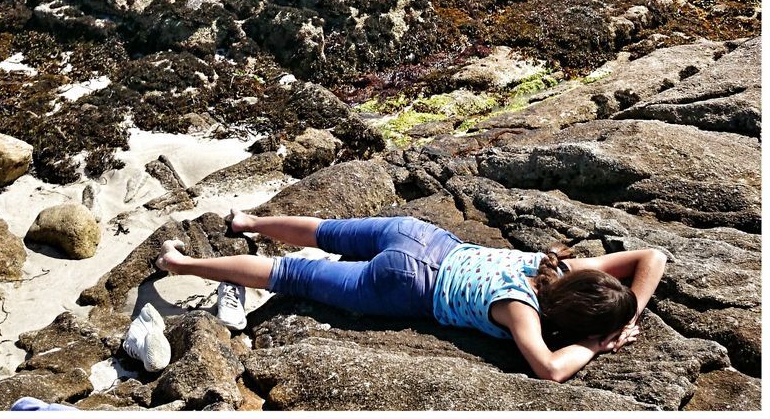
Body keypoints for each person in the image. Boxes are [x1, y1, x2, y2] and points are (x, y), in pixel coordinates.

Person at [156, 212, 667, 382]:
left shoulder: (559, 267)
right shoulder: (523, 313)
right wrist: (604, 340)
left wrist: (625, 306)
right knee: (290, 276)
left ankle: (247, 221)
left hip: (422, 236)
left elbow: (651, 257)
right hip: (408, 285)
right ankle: (180, 264)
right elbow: (550, 369)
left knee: (327, 232)